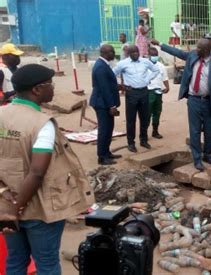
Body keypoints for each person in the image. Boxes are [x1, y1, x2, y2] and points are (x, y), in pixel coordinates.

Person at [0, 64, 94, 275]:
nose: (53, 89)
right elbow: (37, 172)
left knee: (15, 259)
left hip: (5, 204)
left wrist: (9, 210)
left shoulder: (1, 114)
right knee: (47, 263)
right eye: (50, 85)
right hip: (39, 209)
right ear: (36, 90)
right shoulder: (42, 124)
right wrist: (17, 210)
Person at [156, 38, 211, 171]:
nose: (196, 49)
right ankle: (197, 159)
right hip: (194, 100)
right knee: (195, 131)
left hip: (209, 101)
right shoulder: (193, 56)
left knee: (209, 131)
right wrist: (160, 44)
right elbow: (177, 52)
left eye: (199, 48)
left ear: (207, 50)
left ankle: (207, 155)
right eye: (197, 47)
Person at [113, 45, 161, 153]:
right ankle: (131, 143)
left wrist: (148, 79)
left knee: (144, 117)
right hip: (131, 93)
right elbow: (112, 74)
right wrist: (121, 85)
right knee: (131, 119)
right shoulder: (123, 64)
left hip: (144, 91)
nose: (135, 54)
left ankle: (143, 140)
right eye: (132, 52)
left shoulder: (145, 62)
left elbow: (156, 70)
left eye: (136, 52)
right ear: (128, 54)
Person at [90, 45, 122, 165]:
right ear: (104, 53)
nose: (114, 54)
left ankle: (107, 152)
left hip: (105, 102)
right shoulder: (100, 67)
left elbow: (108, 85)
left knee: (109, 128)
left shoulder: (104, 65)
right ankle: (102, 157)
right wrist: (112, 106)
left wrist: (119, 87)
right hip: (102, 103)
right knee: (104, 129)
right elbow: (104, 89)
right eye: (112, 52)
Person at [147, 46, 170, 139]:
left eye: (156, 55)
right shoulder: (145, 66)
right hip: (149, 92)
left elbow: (165, 78)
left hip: (158, 92)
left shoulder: (161, 66)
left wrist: (167, 87)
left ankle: (155, 131)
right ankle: (144, 133)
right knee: (147, 113)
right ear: (148, 55)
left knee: (157, 112)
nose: (154, 57)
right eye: (152, 55)